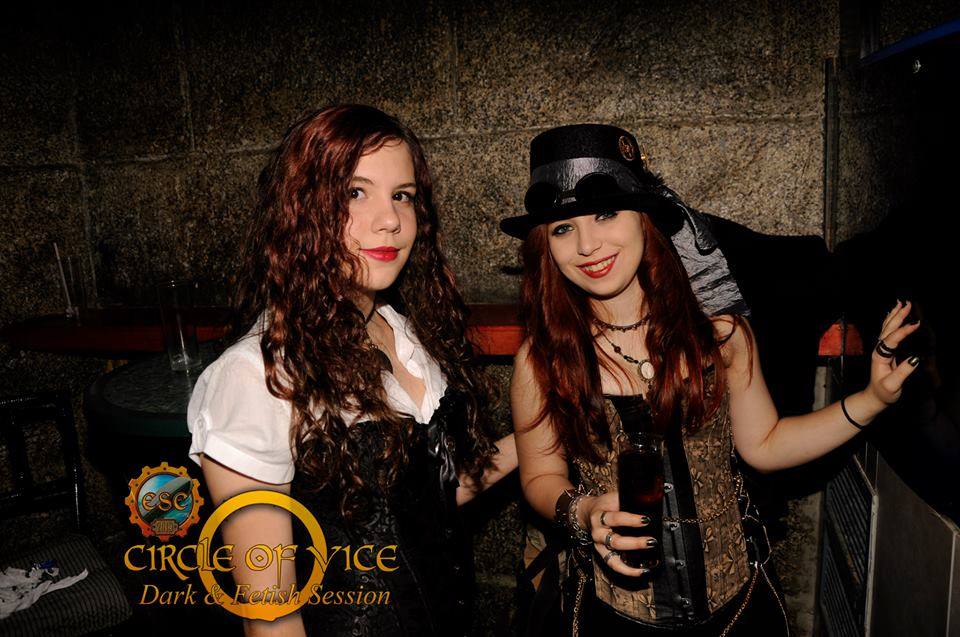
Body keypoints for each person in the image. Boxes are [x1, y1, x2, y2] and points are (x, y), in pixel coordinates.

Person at [501, 124, 920, 635]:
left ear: (646, 219)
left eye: (606, 213)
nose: (588, 244)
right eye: (563, 228)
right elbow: (540, 477)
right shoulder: (540, 361)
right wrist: (583, 511)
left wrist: (872, 400)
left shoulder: (721, 336)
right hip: (614, 619)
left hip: (739, 614)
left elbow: (766, 444)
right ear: (545, 246)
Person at [187, 104, 518, 637]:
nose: (389, 220)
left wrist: (540, 432)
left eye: (402, 195)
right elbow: (272, 621)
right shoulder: (259, 377)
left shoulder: (402, 333)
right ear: (301, 209)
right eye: (354, 193)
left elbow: (427, 497)